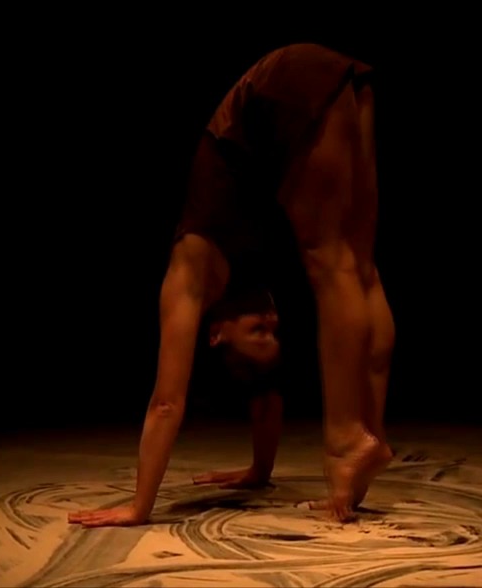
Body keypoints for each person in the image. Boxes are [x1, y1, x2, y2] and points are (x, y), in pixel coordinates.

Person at [68, 43, 395, 526]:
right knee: (362, 267)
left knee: (332, 261)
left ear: (217, 333)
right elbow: (265, 395)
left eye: (260, 331)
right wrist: (260, 471)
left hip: (280, 86)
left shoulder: (187, 275)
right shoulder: (251, 283)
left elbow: (166, 403)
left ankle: (347, 437)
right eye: (272, 330)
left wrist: (139, 506)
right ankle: (369, 440)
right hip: (342, 86)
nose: (272, 319)